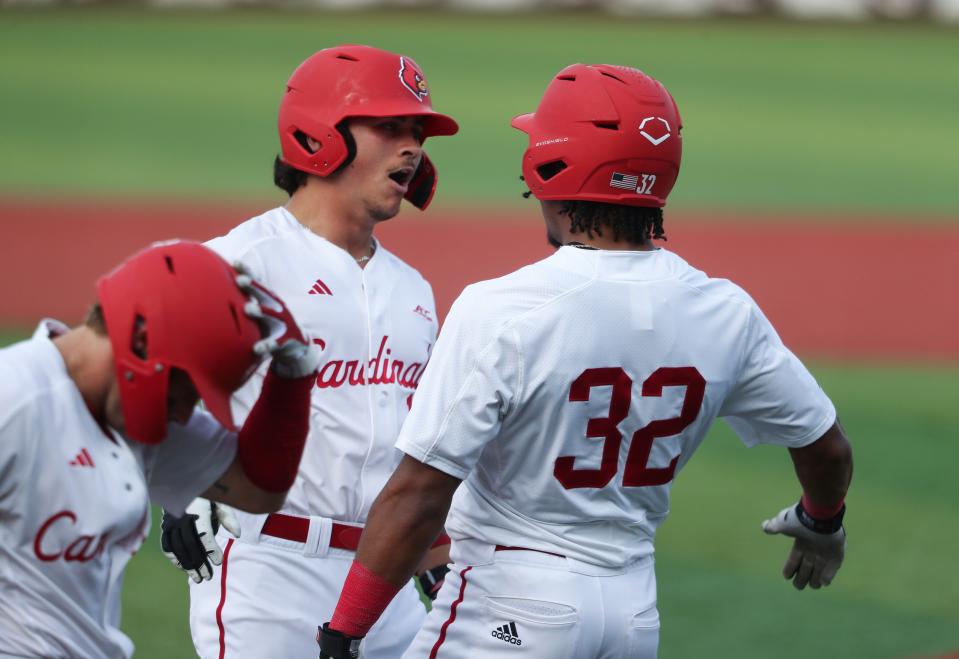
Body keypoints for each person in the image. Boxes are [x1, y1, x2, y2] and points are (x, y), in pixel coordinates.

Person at [316, 63, 854, 659]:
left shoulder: (504, 308)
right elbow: (825, 445)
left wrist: (344, 632)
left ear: (549, 167)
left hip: (509, 605)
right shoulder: (725, 311)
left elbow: (418, 494)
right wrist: (821, 521)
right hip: (633, 614)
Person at [158, 44, 459, 658]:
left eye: (418, 131)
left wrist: (433, 559)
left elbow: (414, 449)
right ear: (322, 133)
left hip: (385, 587)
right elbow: (156, 400)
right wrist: (182, 494)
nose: (413, 147)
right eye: (390, 126)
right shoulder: (239, 262)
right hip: (268, 575)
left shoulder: (414, 290)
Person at [0, 240, 318, 659]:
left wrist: (291, 378)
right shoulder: (15, 396)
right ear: (141, 339)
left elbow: (258, 489)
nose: (186, 414)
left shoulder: (132, 416)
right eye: (186, 391)